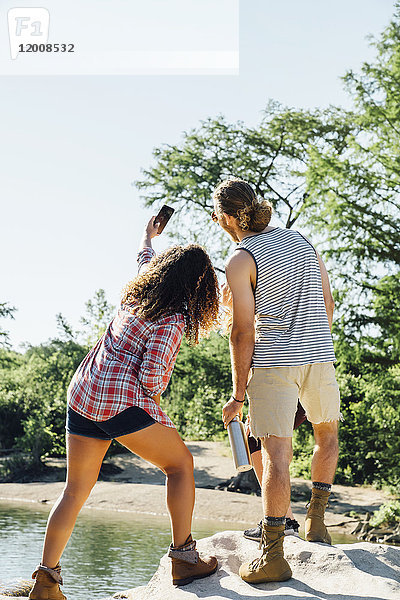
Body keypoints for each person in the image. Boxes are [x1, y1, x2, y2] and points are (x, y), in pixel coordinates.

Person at [28, 217, 220, 600]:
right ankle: (183, 558)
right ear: (198, 285)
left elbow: (144, 258)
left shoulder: (137, 293)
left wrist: (148, 236)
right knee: (180, 465)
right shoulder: (174, 317)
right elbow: (152, 377)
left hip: (83, 394)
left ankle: (46, 580)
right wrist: (156, 399)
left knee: (74, 491)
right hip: (121, 403)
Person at [214, 177, 341, 585]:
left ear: (229, 217)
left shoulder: (241, 257)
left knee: (275, 455)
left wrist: (237, 395)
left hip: (274, 362)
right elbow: (327, 302)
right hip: (319, 355)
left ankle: (272, 556)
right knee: (327, 434)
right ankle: (315, 524)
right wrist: (315, 342)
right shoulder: (301, 239)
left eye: (216, 213)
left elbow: (242, 331)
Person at [220, 284, 304, 541]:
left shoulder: (259, 318)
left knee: (268, 447)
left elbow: (249, 352)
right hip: (294, 384)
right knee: (259, 442)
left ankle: (280, 521)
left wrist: (238, 399)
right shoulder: (264, 312)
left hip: (285, 387)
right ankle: (284, 519)